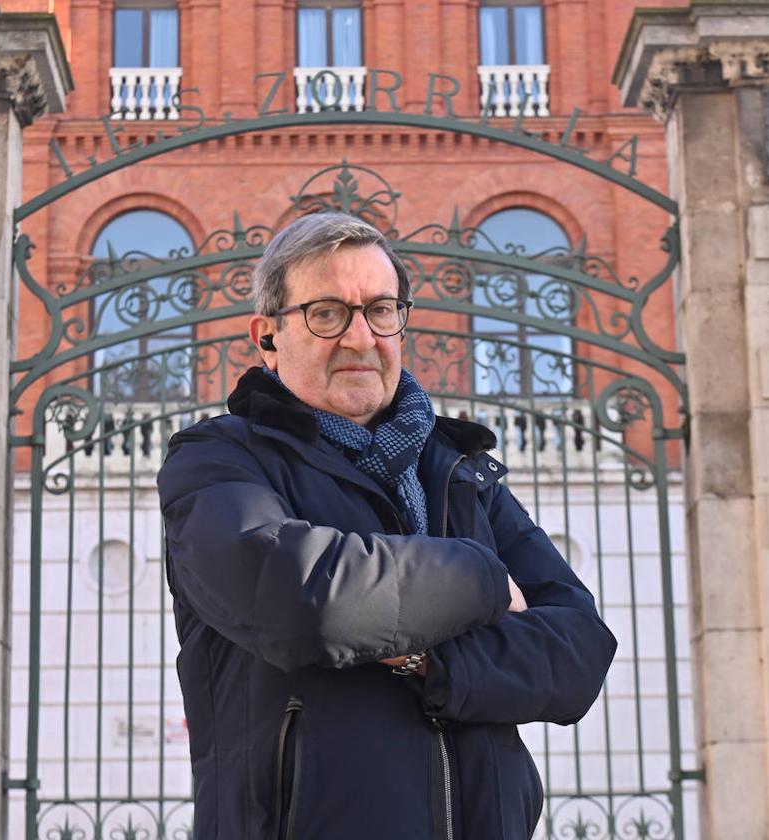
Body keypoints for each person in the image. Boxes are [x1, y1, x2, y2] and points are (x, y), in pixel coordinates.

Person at [157, 212, 616, 840]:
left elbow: (580, 652)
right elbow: (301, 602)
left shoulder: (458, 468)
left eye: (380, 309)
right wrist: (482, 577)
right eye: (325, 314)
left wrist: (434, 663)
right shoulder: (217, 460)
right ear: (267, 336)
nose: (359, 337)